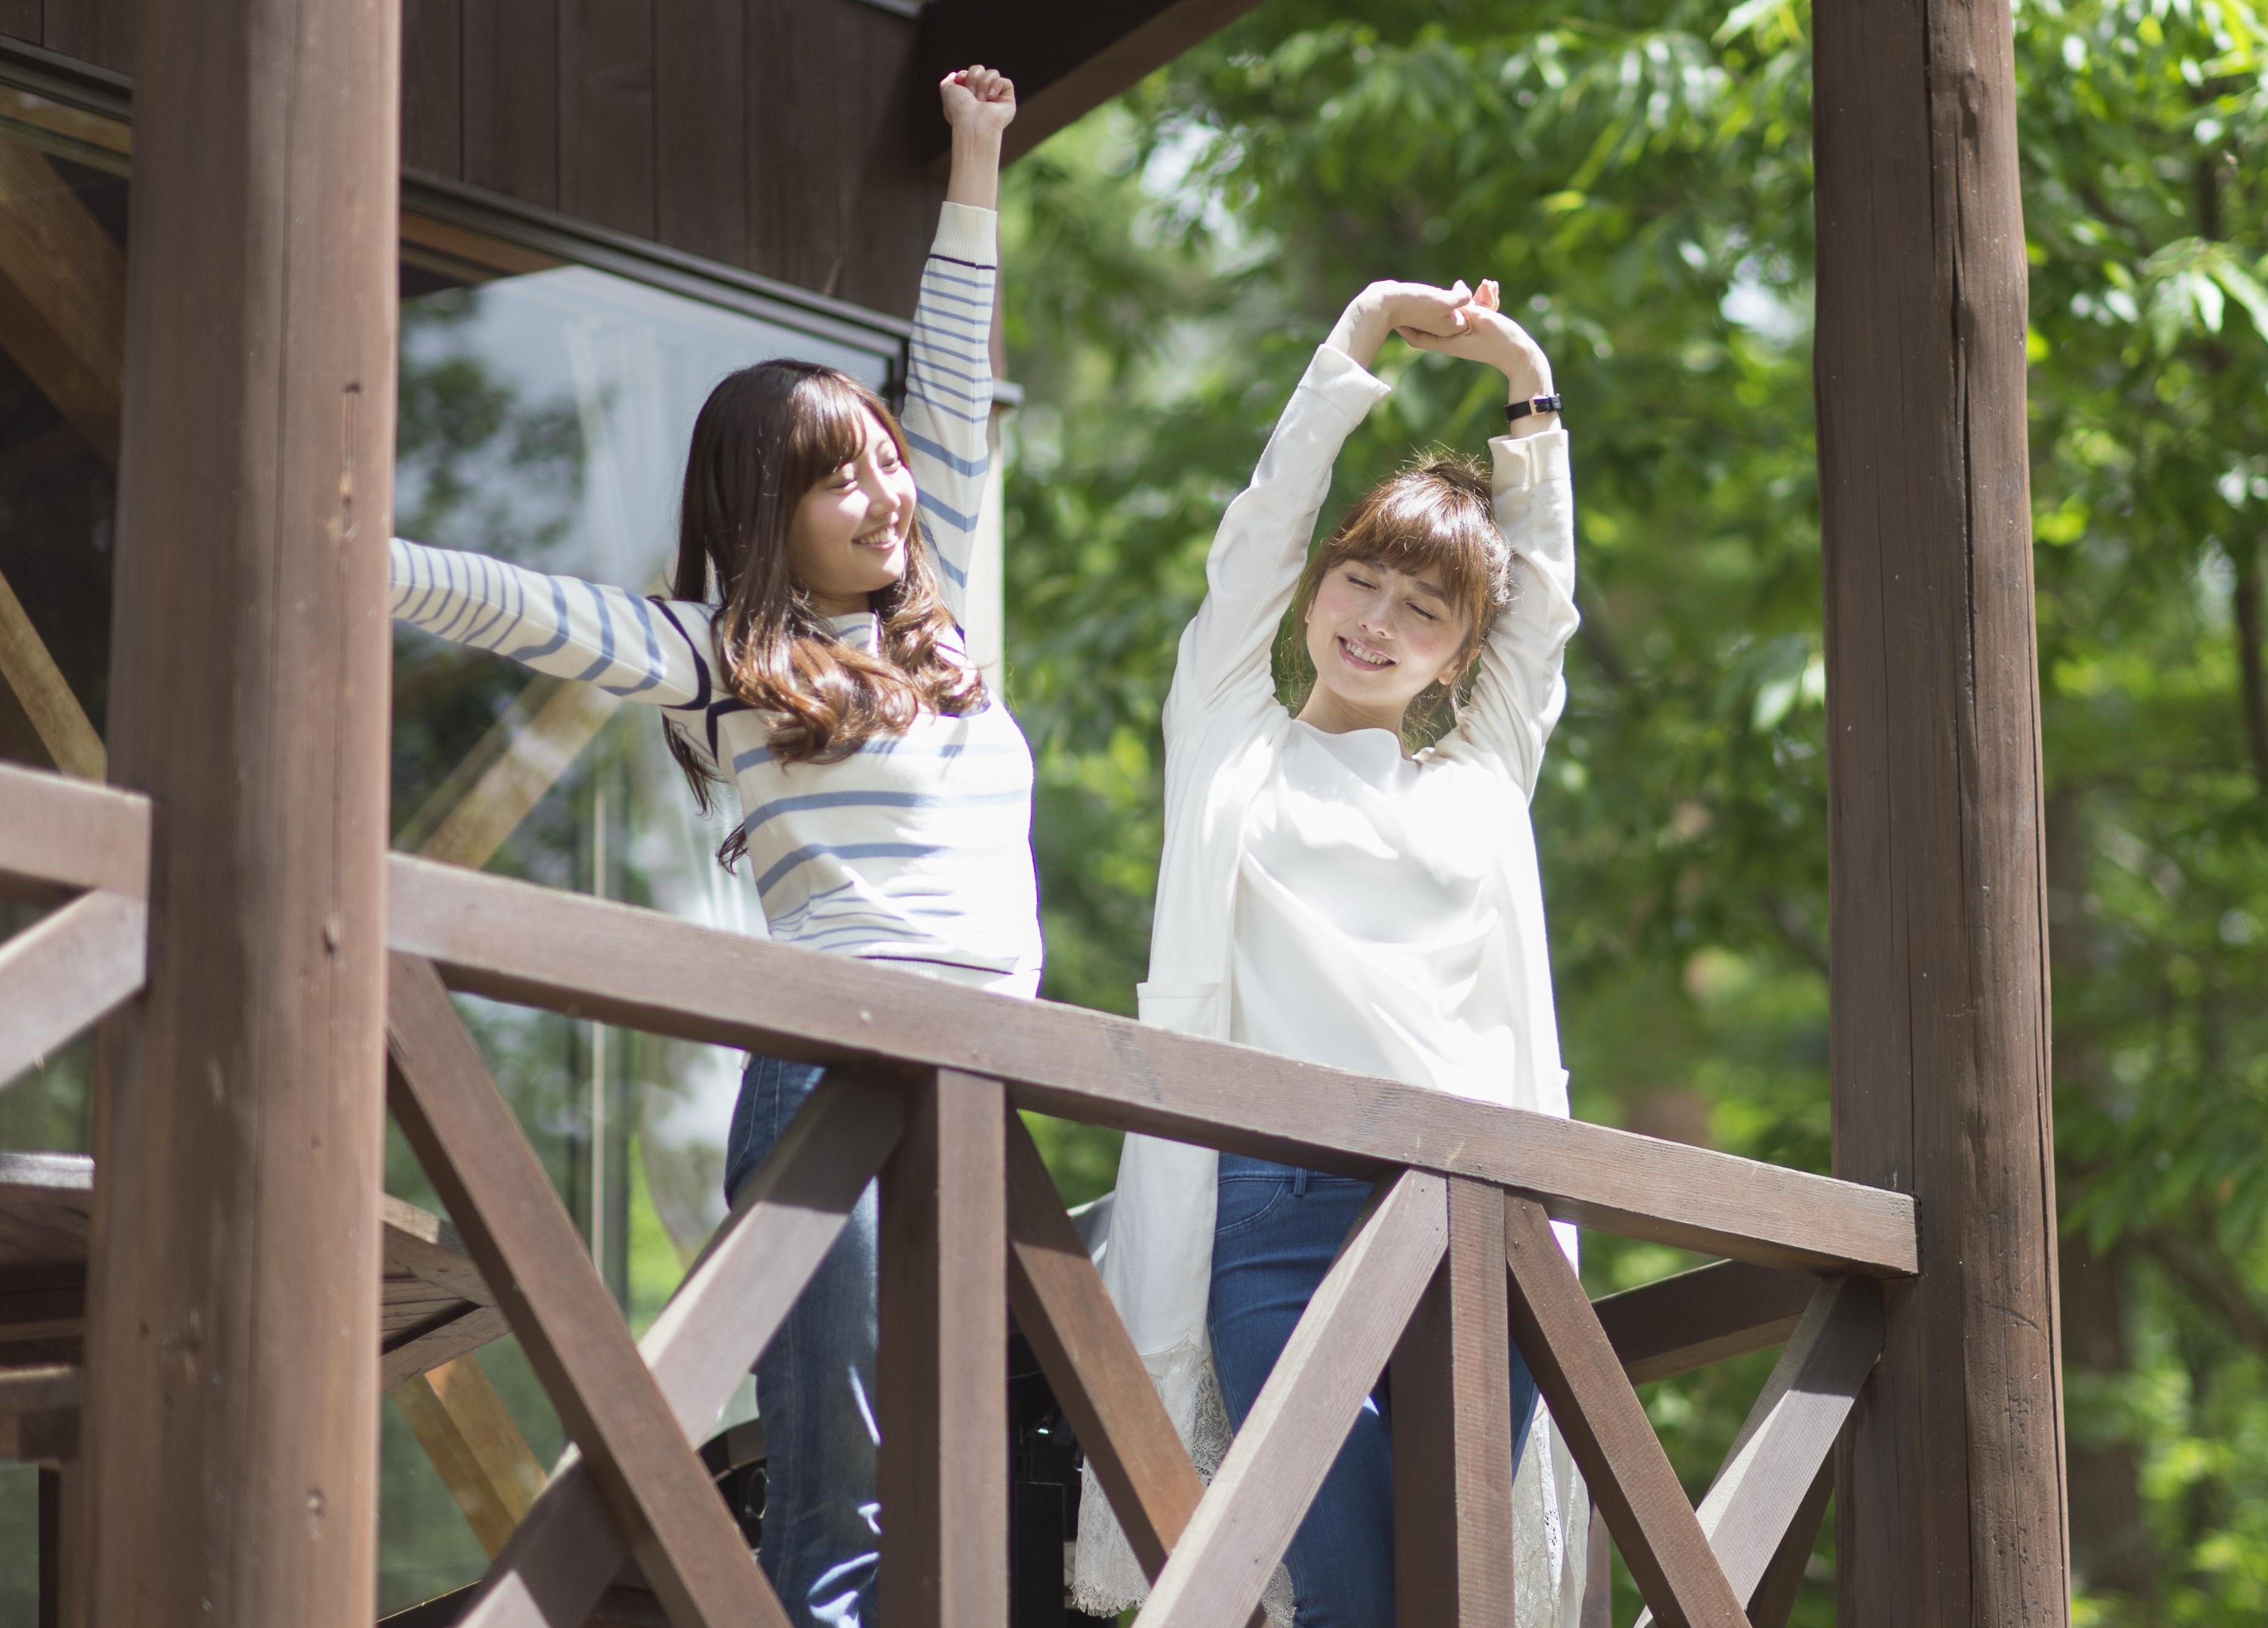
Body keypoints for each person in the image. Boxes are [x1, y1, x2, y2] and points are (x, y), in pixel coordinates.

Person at [386, 65, 1028, 1628]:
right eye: (834, 478)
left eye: (879, 460)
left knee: (990, 1488)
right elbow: (521, 606)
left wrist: (973, 161)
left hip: (986, 1086)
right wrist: (343, 535)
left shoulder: (933, 613)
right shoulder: (730, 654)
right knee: (851, 1501)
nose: (883, 491)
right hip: (840, 1086)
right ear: (766, 513)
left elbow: (947, 380)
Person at [1075, 278, 1587, 1626]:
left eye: (1422, 611)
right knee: (1351, 1594)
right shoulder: (1233, 741)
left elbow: (1546, 614)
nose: (1375, 619)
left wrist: (1526, 380)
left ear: (1460, 656)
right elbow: (1254, 535)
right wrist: (1355, 342)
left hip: (1486, 1218)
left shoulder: (1480, 776)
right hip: (1273, 1217)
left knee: (1456, 1586)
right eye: (1358, 581)